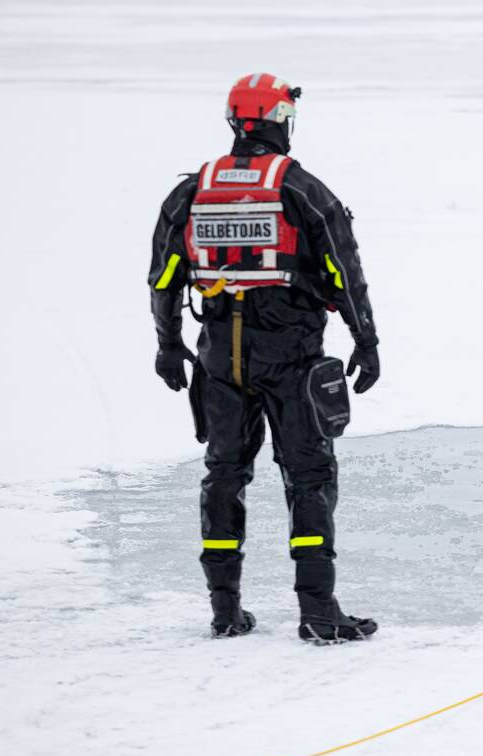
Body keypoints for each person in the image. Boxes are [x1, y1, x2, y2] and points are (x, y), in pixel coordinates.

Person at [148, 73, 380, 642]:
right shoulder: (301, 189)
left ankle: (224, 610)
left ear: (236, 123)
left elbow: (165, 277)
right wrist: (366, 341)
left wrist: (169, 344)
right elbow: (343, 274)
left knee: (224, 474)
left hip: (219, 361)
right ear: (280, 122)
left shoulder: (192, 191)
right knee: (309, 475)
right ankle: (318, 611)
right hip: (291, 358)